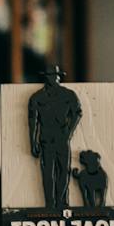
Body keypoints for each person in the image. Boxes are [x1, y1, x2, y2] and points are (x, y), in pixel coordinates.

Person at [28, 66, 82, 212]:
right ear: (46, 77)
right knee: (47, 172)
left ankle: (61, 201)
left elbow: (77, 112)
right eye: (50, 75)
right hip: (46, 139)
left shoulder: (68, 94)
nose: (54, 78)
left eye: (56, 75)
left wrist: (69, 131)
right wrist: (32, 142)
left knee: (64, 170)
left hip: (62, 138)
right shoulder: (37, 97)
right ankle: (50, 204)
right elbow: (32, 120)